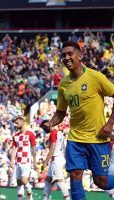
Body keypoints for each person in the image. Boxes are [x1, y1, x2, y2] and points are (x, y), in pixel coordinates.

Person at [41, 41, 114, 200]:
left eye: (70, 54)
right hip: (75, 139)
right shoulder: (63, 85)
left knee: (101, 182)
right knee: (75, 175)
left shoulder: (95, 77)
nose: (66, 58)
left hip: (98, 138)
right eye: (63, 55)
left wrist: (110, 123)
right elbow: (60, 113)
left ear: (79, 55)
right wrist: (51, 123)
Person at [10, 116, 37, 200]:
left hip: (26, 161)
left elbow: (33, 149)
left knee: (24, 181)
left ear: (22, 122)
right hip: (18, 162)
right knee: (19, 183)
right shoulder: (15, 136)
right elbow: (14, 149)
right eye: (14, 123)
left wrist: (35, 162)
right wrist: (12, 160)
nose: (15, 125)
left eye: (17, 123)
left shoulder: (30, 134)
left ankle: (29, 189)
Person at [42, 127, 70, 200]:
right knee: (48, 180)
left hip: (56, 159)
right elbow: (64, 148)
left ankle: (67, 199)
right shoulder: (60, 133)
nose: (44, 128)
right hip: (60, 158)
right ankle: (45, 198)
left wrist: (46, 161)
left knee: (59, 181)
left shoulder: (53, 133)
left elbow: (52, 148)